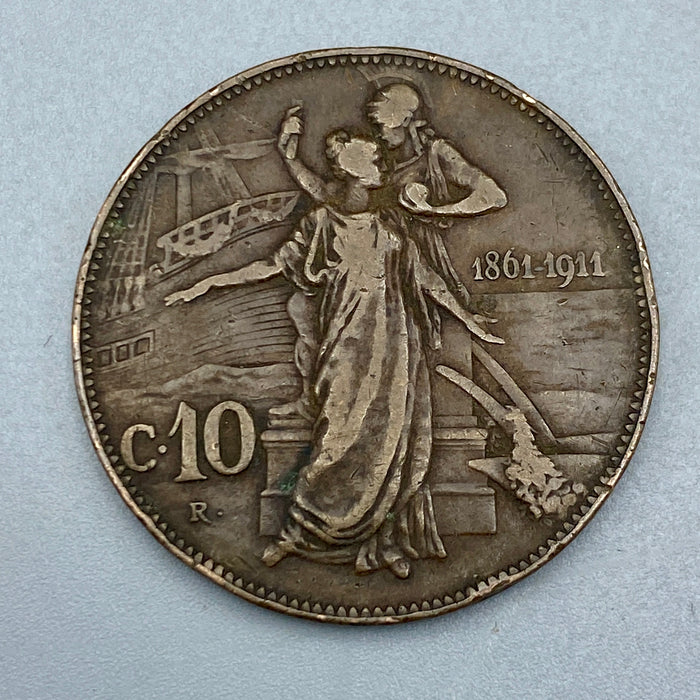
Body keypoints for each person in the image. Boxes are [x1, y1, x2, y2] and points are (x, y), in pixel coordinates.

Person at [165, 129, 503, 578]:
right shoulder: (321, 223)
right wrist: (208, 282)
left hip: (395, 350)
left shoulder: (391, 224)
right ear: (345, 167)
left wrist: (469, 317)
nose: (381, 162)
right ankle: (299, 531)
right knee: (336, 439)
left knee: (392, 445)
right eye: (370, 157)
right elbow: (271, 265)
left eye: (379, 156)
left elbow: (425, 278)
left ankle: (384, 541)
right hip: (344, 348)